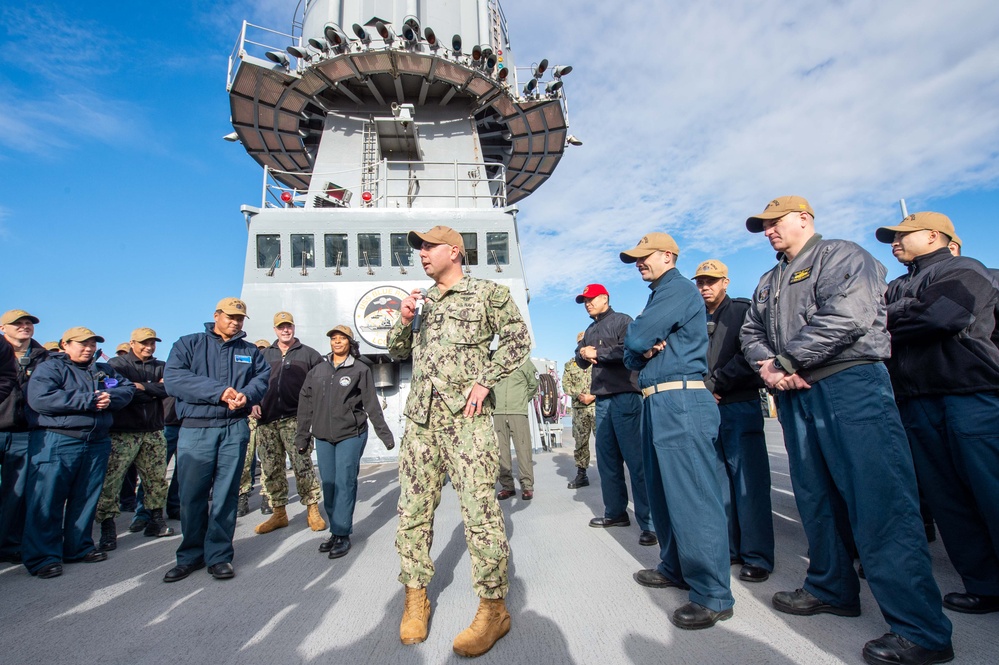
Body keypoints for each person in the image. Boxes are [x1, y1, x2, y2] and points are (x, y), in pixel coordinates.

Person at [740, 196, 953, 665]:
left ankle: (921, 630)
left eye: (776, 222)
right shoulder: (769, 280)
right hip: (794, 392)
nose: (770, 230)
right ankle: (832, 587)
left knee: (879, 499)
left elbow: (849, 315)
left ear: (804, 219)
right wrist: (772, 368)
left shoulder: (842, 255)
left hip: (849, 383)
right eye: (764, 225)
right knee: (815, 498)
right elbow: (749, 333)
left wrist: (789, 359)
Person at [388, 225, 530, 657]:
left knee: (480, 513)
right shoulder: (424, 303)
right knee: (411, 512)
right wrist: (405, 320)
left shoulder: (489, 294)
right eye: (420, 249)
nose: (422, 255)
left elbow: (519, 340)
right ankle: (416, 599)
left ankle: (493, 608)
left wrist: (485, 382)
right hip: (421, 423)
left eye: (429, 247)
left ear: (454, 251)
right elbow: (397, 353)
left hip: (467, 423)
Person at [876, 211, 999, 615]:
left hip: (969, 395)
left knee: (990, 489)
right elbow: (867, 323)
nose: (894, 241)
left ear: (934, 236)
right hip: (914, 400)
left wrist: (893, 318)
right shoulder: (894, 285)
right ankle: (984, 586)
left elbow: (944, 317)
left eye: (902, 235)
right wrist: (907, 310)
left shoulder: (965, 268)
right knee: (948, 499)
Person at [619, 234, 734, 630]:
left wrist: (642, 342)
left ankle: (713, 594)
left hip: (681, 400)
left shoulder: (679, 288)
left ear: (668, 256)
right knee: (664, 492)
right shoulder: (659, 295)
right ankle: (676, 566)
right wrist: (643, 345)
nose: (638, 263)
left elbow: (633, 338)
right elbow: (632, 352)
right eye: (635, 259)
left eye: (644, 257)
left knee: (694, 497)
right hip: (657, 399)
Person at [163, 298, 270, 582]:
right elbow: (174, 379)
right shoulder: (188, 344)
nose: (235, 322)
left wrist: (247, 394)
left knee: (226, 495)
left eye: (240, 318)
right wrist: (219, 392)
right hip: (196, 428)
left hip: (234, 428)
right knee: (191, 495)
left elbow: (262, 379)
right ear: (216, 316)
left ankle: (219, 555)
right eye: (231, 317)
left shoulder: (250, 351)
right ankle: (190, 555)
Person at [23, 327, 135, 578]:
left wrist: (109, 397)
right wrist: (89, 399)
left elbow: (126, 389)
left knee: (85, 498)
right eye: (82, 343)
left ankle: (78, 547)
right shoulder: (51, 368)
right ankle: (43, 557)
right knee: (47, 499)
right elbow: (41, 399)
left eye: (92, 344)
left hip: (96, 441)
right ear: (65, 344)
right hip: (58, 440)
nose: (89, 348)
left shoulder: (103, 370)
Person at [694, 259, 774, 583]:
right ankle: (730, 548)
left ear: (725, 282)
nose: (705, 287)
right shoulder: (695, 319)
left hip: (738, 404)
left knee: (749, 484)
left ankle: (757, 556)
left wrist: (717, 384)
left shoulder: (742, 311)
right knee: (719, 484)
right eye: (700, 282)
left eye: (711, 281)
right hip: (709, 408)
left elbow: (750, 355)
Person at [296, 325, 395, 559]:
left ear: (350, 343)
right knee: (329, 483)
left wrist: (385, 435)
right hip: (323, 436)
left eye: (342, 339)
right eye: (334, 339)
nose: (337, 342)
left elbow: (371, 404)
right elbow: (305, 404)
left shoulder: (360, 369)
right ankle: (335, 530)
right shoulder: (317, 371)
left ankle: (342, 534)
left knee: (344, 481)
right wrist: (302, 435)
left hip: (351, 434)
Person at [575, 284, 656, 547]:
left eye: (590, 299)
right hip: (602, 400)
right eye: (584, 301)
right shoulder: (589, 329)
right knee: (607, 460)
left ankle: (650, 524)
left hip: (625, 395)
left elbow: (629, 351)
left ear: (604, 298)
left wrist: (597, 352)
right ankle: (616, 513)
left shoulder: (623, 321)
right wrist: (582, 351)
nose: (587, 304)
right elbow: (580, 360)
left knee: (636, 460)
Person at [95, 328, 174, 551]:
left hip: (153, 430)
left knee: (156, 479)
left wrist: (145, 387)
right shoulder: (117, 365)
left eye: (152, 343)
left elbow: (169, 389)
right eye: (143, 343)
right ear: (132, 343)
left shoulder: (161, 365)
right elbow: (120, 393)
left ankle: (155, 520)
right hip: (123, 432)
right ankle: (108, 527)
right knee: (112, 481)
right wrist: (149, 389)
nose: (148, 347)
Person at [253, 312, 325, 535]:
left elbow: (321, 384)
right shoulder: (263, 355)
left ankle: (312, 509)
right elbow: (251, 381)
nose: (285, 330)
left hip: (296, 419)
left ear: (294, 328)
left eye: (289, 326)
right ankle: (279, 513)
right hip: (267, 420)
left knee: (302, 466)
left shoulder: (309, 354)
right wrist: (253, 402)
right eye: (281, 327)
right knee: (271, 468)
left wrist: (313, 411)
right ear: (275, 330)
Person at [0, 309, 49, 565]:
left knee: (15, 493)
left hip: (23, 431)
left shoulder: (45, 358)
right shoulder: (1, 352)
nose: (24, 327)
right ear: (3, 328)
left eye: (28, 323)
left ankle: (9, 545)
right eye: (16, 323)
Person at [493, 357, 539, 501]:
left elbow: (534, 384)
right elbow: (489, 386)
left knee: (523, 449)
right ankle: (507, 487)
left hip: (518, 412)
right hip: (499, 412)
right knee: (501, 451)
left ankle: (527, 486)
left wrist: (522, 401)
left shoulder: (524, 362)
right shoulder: (495, 361)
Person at [238, 338, 272, 517]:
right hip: (250, 420)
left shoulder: (270, 370)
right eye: (258, 350)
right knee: (245, 460)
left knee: (268, 461)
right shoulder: (247, 372)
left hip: (268, 419)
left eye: (263, 350)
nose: (261, 353)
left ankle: (268, 497)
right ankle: (242, 496)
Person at [561, 332, 595, 489]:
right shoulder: (570, 365)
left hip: (596, 406)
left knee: (605, 442)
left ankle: (611, 475)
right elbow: (565, 385)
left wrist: (592, 396)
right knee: (580, 443)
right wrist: (578, 395)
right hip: (579, 409)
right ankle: (582, 475)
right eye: (581, 342)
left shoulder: (599, 362)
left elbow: (608, 381)